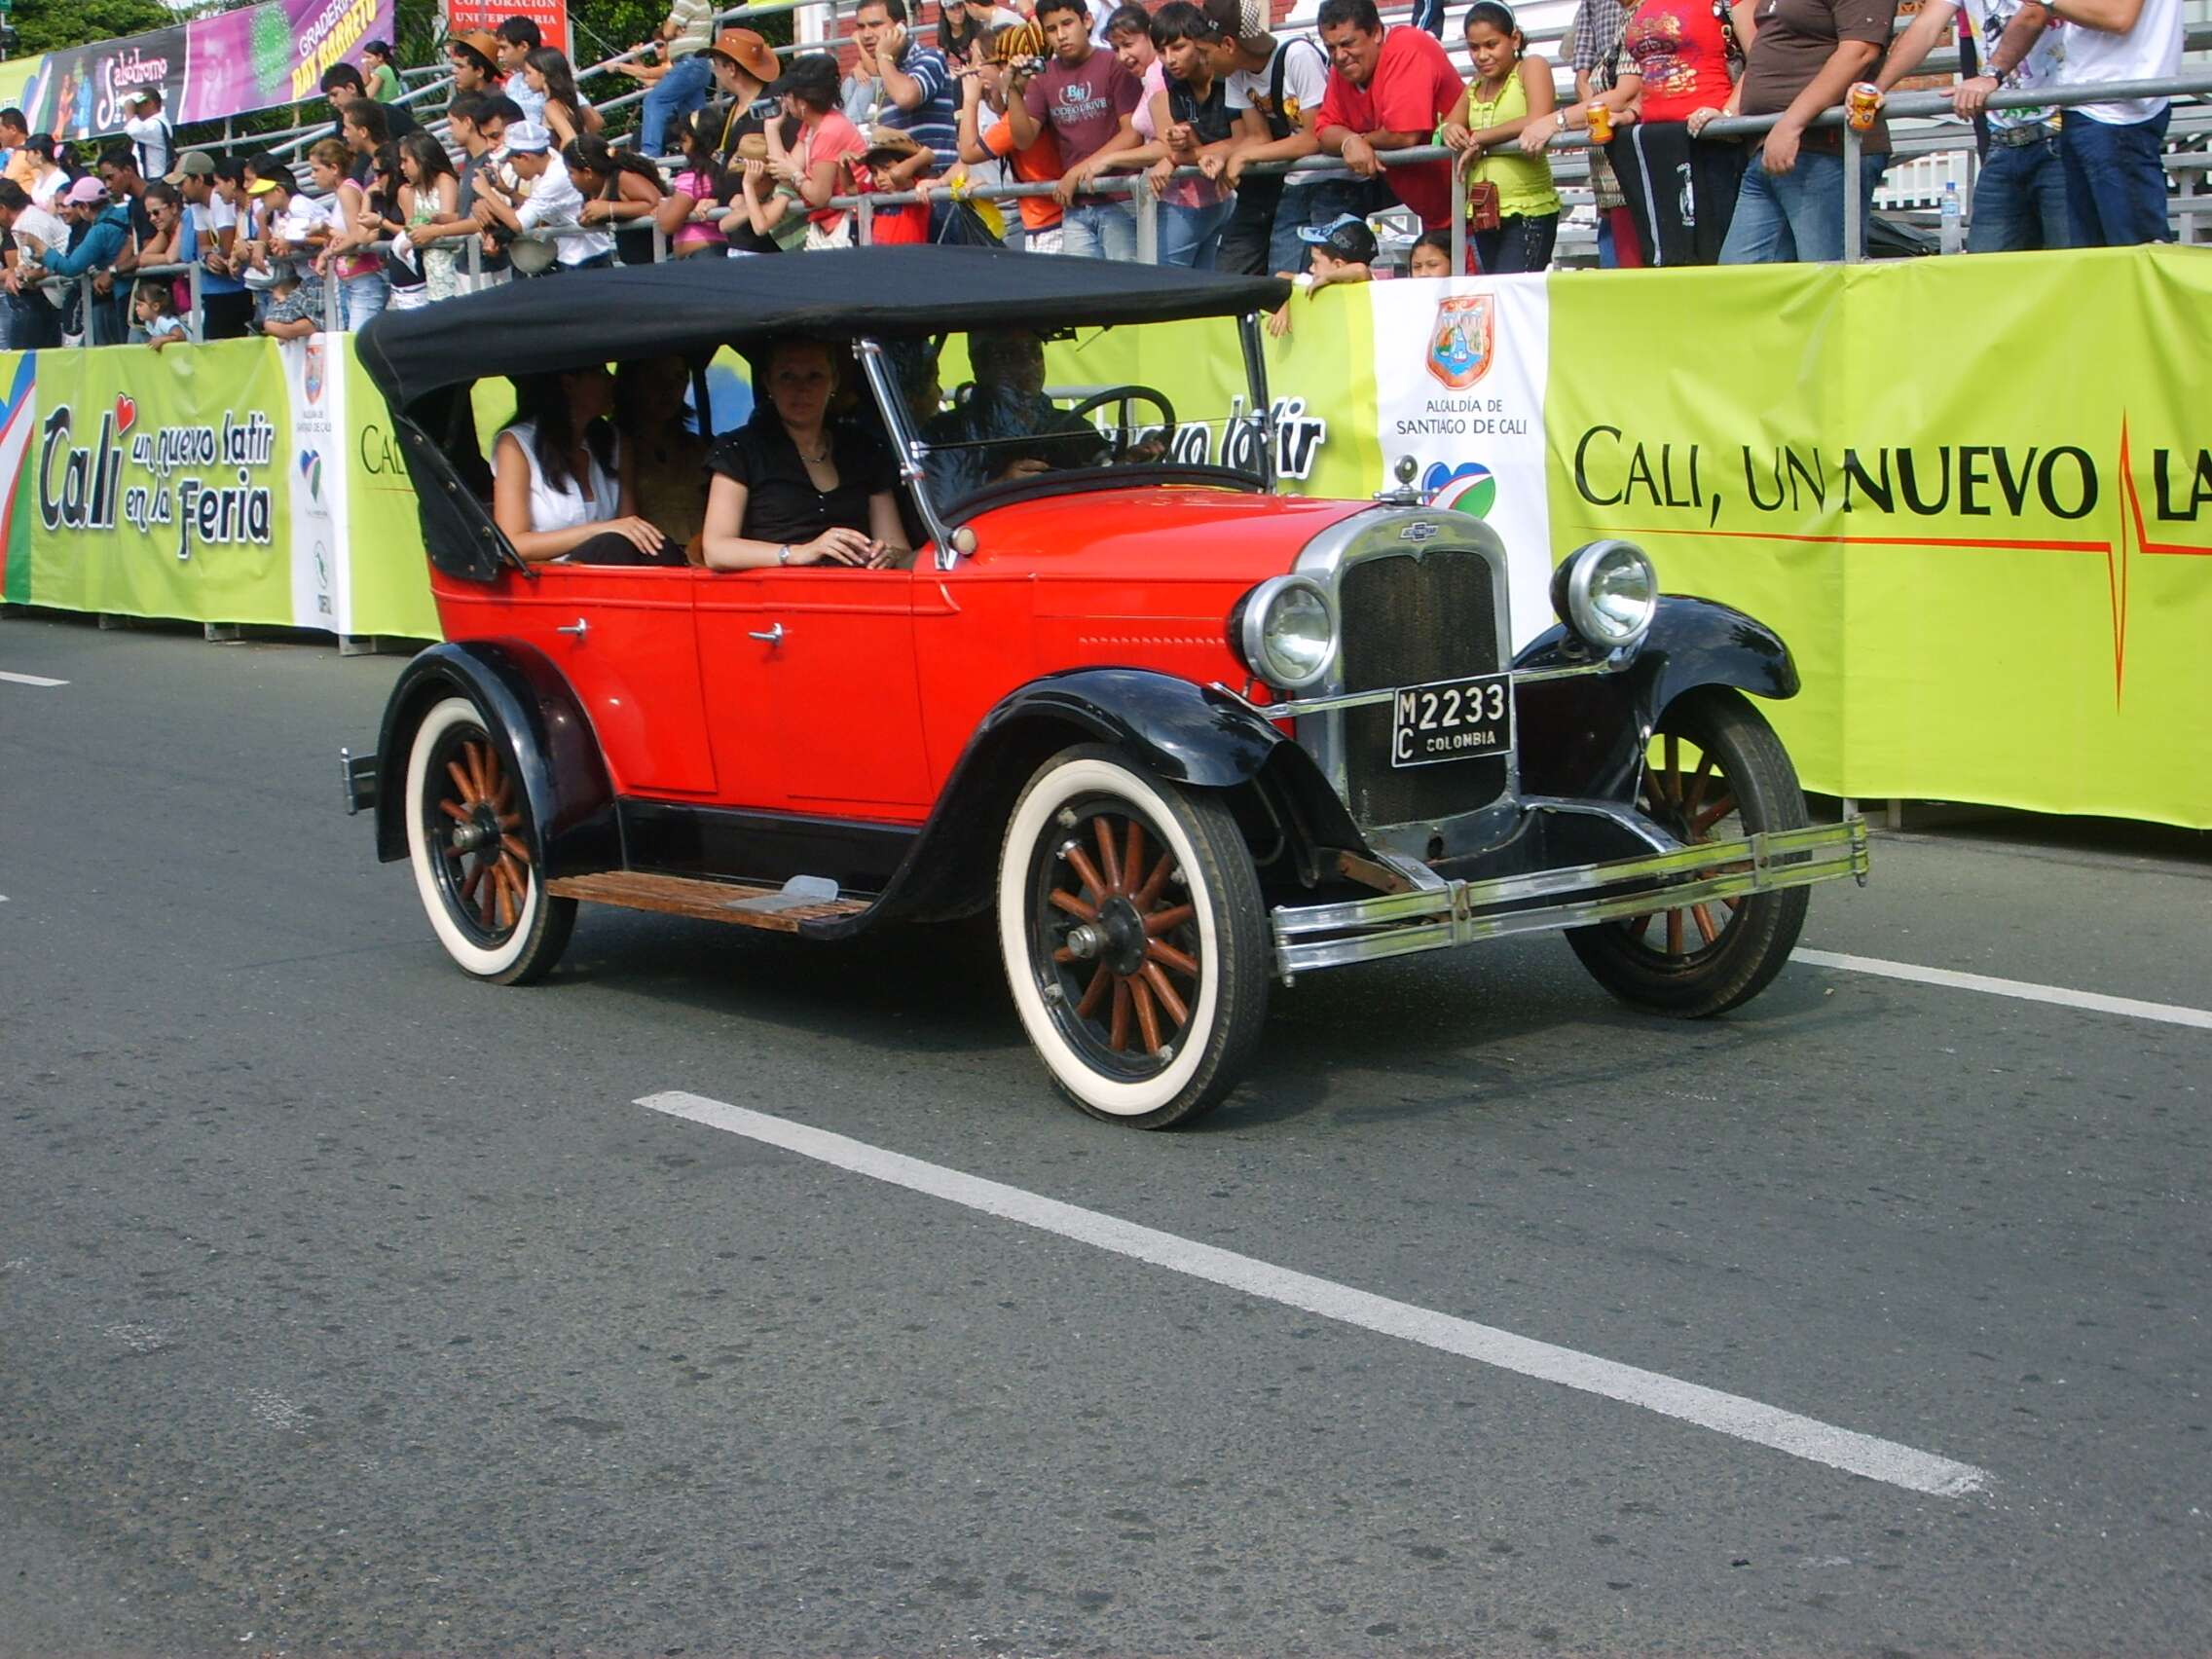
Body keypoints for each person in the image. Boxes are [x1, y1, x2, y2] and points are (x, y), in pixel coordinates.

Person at [1530, 0, 1752, 265]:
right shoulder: (1641, 6)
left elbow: (1760, 58)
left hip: (1710, 141)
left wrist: (1727, 114)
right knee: (1668, 262)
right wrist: (1631, 114)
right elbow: (1650, 74)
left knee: (1713, 258)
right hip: (1656, 147)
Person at [1871, 0, 2066, 250]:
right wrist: (1877, 88)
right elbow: (1926, 26)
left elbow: (2035, 12)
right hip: (2002, 142)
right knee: (1984, 272)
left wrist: (1989, 76)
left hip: (2059, 133)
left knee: (2073, 266)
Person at [702, 339, 908, 571]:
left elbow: (897, 546)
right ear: (768, 383)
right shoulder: (738, 449)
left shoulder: (864, 450)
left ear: (834, 382)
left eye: (814, 376)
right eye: (787, 376)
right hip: (774, 595)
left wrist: (887, 554)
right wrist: (797, 553)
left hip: (858, 592)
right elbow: (716, 550)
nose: (801, 389)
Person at [1717, 0, 1898, 262]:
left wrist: (1792, 123)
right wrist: (1728, 112)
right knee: (1738, 281)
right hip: (1771, 146)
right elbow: (1767, 50)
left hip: (1827, 149)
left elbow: (1859, 51)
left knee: (1825, 276)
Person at [1988, 0, 2180, 245]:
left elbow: (2118, 16)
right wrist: (1992, 74)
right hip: (2090, 106)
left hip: (2117, 112)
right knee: (2094, 258)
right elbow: (2033, 14)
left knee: (2131, 254)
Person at [1309, 0, 1465, 234]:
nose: (1339, 56)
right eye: (1330, 48)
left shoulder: (1407, 46)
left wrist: (1360, 140)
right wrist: (1349, 141)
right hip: (1439, 215)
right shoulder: (1344, 67)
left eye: (1347, 43)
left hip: (1479, 207)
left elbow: (1403, 134)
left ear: (1376, 33)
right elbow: (1324, 131)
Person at [494, 368, 675, 565]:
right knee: (612, 544)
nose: (612, 380)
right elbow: (511, 545)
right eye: (600, 373)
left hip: (612, 566)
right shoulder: (515, 444)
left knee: (661, 549)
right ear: (568, 384)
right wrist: (596, 529)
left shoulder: (615, 442)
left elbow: (630, 529)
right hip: (547, 580)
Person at [1006, 0, 1144, 257]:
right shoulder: (1043, 77)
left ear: (1087, 21)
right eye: (1051, 29)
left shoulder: (1113, 64)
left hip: (1120, 196)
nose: (1060, 35)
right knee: (1083, 290)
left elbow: (1133, 133)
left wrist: (1078, 171)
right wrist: (1013, 90)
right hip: (1075, 206)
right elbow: (1024, 140)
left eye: (1067, 23)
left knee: (1128, 287)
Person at [1207, 0, 1331, 276]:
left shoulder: (1297, 55)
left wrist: (1243, 155)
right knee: (1276, 276)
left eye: (1206, 52)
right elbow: (1257, 136)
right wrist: (1224, 155)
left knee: (1300, 278)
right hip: (1294, 182)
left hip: (1331, 181)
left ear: (1228, 45)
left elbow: (1314, 138)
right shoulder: (1236, 74)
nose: (1205, 62)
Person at [1439, 2, 1561, 273]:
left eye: (1491, 45)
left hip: (1527, 210)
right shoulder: (1475, 84)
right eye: (1474, 47)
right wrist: (1449, 130)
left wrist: (1481, 137)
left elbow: (1538, 117)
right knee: (1497, 295)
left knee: (1514, 296)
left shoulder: (1531, 67)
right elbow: (1447, 124)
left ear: (1514, 38)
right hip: (1485, 213)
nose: (1482, 55)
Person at [922, 329, 1109, 498]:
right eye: (1011, 355)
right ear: (981, 365)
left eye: (1035, 352)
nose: (1030, 364)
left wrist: (1125, 462)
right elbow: (939, 509)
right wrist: (1000, 487)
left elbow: (1106, 473)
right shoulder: (947, 435)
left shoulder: (1073, 427)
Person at [1137, 3, 1245, 268]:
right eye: (1161, 51)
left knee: (1167, 288)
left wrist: (1173, 158)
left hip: (1238, 197)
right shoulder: (1171, 78)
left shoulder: (1226, 74)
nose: (1169, 59)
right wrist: (1180, 142)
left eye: (1178, 47)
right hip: (1213, 191)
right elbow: (1196, 146)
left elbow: (1245, 140)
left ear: (1199, 42)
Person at [841, 0, 958, 240]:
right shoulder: (889, 73)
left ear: (900, 27)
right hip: (904, 201)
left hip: (935, 195)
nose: (866, 34)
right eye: (861, 27)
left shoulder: (929, 59)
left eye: (875, 25)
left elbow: (906, 97)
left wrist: (883, 58)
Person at [956, 20, 1066, 253]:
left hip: (1050, 223)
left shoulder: (1024, 112)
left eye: (979, 61)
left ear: (1003, 65)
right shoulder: (1020, 109)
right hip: (1044, 223)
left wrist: (970, 100)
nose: (973, 70)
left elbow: (968, 152)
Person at [472, 121, 614, 271]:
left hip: (586, 259)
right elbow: (539, 205)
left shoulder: (555, 178)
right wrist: (507, 191)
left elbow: (518, 223)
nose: (513, 170)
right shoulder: (554, 162)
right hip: (578, 256)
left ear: (525, 157)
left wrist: (486, 192)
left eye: (512, 164)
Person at [1565, 0, 1641, 265]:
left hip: (1627, 107)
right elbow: (1584, 37)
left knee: (1631, 234)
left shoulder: (1639, 19)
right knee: (1613, 217)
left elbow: (1627, 92)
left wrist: (1560, 119)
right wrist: (1583, 80)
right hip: (1602, 96)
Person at [767, 55, 868, 250]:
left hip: (850, 226)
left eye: (787, 94)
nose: (784, 100)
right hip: (833, 226)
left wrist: (795, 175)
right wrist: (771, 129)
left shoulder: (829, 130)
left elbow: (819, 195)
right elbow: (783, 175)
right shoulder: (813, 126)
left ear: (803, 102)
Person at [616, 355, 711, 550]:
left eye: (679, 377)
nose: (668, 388)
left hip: (703, 560)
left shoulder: (698, 448)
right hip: (650, 562)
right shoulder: (611, 447)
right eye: (655, 377)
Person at [36, 177, 134, 345]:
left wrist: (41, 248)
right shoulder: (124, 213)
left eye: (75, 205)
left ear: (85, 207)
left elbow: (71, 267)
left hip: (121, 294)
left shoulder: (99, 231)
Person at [624, 0, 718, 157]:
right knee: (693, 119)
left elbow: (666, 32)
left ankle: (650, 153)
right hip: (697, 64)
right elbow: (668, 32)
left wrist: (673, 32)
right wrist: (675, 30)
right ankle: (704, 157)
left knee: (654, 101)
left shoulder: (686, 1)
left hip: (688, 63)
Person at [1266, 211, 1373, 335]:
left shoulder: (1363, 284)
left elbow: (1361, 270)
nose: (1311, 268)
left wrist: (1327, 277)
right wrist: (1283, 303)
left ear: (1338, 265)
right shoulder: (1316, 280)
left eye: (1315, 262)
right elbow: (1281, 276)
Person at [566, 134, 669, 263]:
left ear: (587, 173)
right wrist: (589, 219)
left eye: (571, 172)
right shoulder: (590, 190)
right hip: (637, 263)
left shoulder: (623, 177)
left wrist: (609, 208)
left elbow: (657, 203)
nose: (568, 178)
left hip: (664, 258)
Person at [395, 130, 462, 302]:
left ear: (421, 158)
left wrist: (430, 224)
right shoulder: (414, 190)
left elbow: (448, 218)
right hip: (433, 276)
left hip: (453, 273)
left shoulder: (444, 180)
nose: (402, 167)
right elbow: (410, 226)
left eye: (405, 161)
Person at [0, 180, 67, 348]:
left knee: (26, 363)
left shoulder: (31, 223)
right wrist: (15, 272)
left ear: (3, 208)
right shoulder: (25, 221)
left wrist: (19, 275)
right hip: (41, 301)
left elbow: (47, 265)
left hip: (46, 302)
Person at [657, 111, 734, 256]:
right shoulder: (724, 171)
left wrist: (664, 203)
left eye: (683, 139)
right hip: (719, 248)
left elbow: (668, 224)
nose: (681, 144)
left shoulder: (692, 177)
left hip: (699, 254)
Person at [321, 61, 421, 152]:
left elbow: (421, 139)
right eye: (329, 97)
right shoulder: (340, 125)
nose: (331, 101)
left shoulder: (387, 112)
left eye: (334, 94)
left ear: (351, 88)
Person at [523, 49, 603, 147]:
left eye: (528, 73)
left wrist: (556, 159)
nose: (525, 79)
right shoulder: (568, 99)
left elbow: (569, 139)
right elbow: (596, 121)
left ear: (543, 75)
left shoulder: (551, 106)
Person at [495, 18, 549, 126]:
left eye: (504, 48)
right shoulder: (513, 82)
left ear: (524, 46)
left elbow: (589, 118)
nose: (499, 54)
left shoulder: (552, 78)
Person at [259, 255, 324, 340]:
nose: (276, 303)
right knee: (270, 325)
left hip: (319, 282)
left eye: (277, 300)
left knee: (270, 325)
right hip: (308, 282)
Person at [121, 88, 174, 183]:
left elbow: (134, 130)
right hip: (150, 180)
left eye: (137, 105)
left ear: (150, 103)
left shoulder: (156, 125)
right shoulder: (151, 124)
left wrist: (129, 110)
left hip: (156, 180)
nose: (136, 110)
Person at [447, 30, 505, 95]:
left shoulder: (496, 102)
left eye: (460, 66)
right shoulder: (467, 97)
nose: (453, 71)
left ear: (480, 71)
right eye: (455, 65)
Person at [134, 278, 186, 350]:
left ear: (155, 306)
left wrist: (161, 340)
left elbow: (180, 336)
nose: (136, 309)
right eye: (136, 305)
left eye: (140, 305)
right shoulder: (148, 322)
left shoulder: (163, 321)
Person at [361, 39, 404, 103]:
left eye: (368, 57)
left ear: (380, 57)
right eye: (364, 58)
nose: (365, 60)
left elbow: (367, 95)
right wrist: (365, 66)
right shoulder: (388, 67)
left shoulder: (382, 70)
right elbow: (366, 82)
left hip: (385, 109)